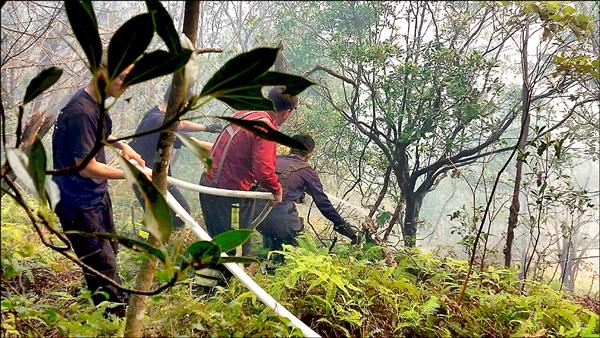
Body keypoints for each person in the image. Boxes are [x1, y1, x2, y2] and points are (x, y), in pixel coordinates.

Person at [52, 57, 144, 317]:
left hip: (94, 195)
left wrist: (122, 146)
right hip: (77, 202)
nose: (127, 85)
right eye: (123, 78)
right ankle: (113, 318)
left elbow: (98, 134)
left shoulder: (93, 103)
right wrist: (130, 174)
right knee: (99, 262)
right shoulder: (80, 111)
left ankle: (115, 301)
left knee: (109, 252)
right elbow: (87, 166)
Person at [198, 86, 299, 258]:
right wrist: (276, 189)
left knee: (218, 244)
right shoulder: (265, 128)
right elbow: (263, 171)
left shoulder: (245, 114)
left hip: (209, 186)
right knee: (234, 252)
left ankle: (207, 282)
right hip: (229, 196)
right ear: (287, 112)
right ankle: (226, 283)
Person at [129, 87, 222, 230]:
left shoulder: (157, 113)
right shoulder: (161, 123)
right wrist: (222, 147)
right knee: (177, 214)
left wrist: (206, 127)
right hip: (148, 177)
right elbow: (193, 143)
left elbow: (182, 123)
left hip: (152, 173)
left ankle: (154, 241)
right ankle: (148, 243)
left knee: (169, 215)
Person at [254, 134, 359, 254]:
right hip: (280, 218)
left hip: (256, 216)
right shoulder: (307, 171)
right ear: (309, 154)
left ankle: (265, 264)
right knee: (299, 251)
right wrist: (347, 230)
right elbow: (324, 204)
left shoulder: (273, 160)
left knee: (271, 249)